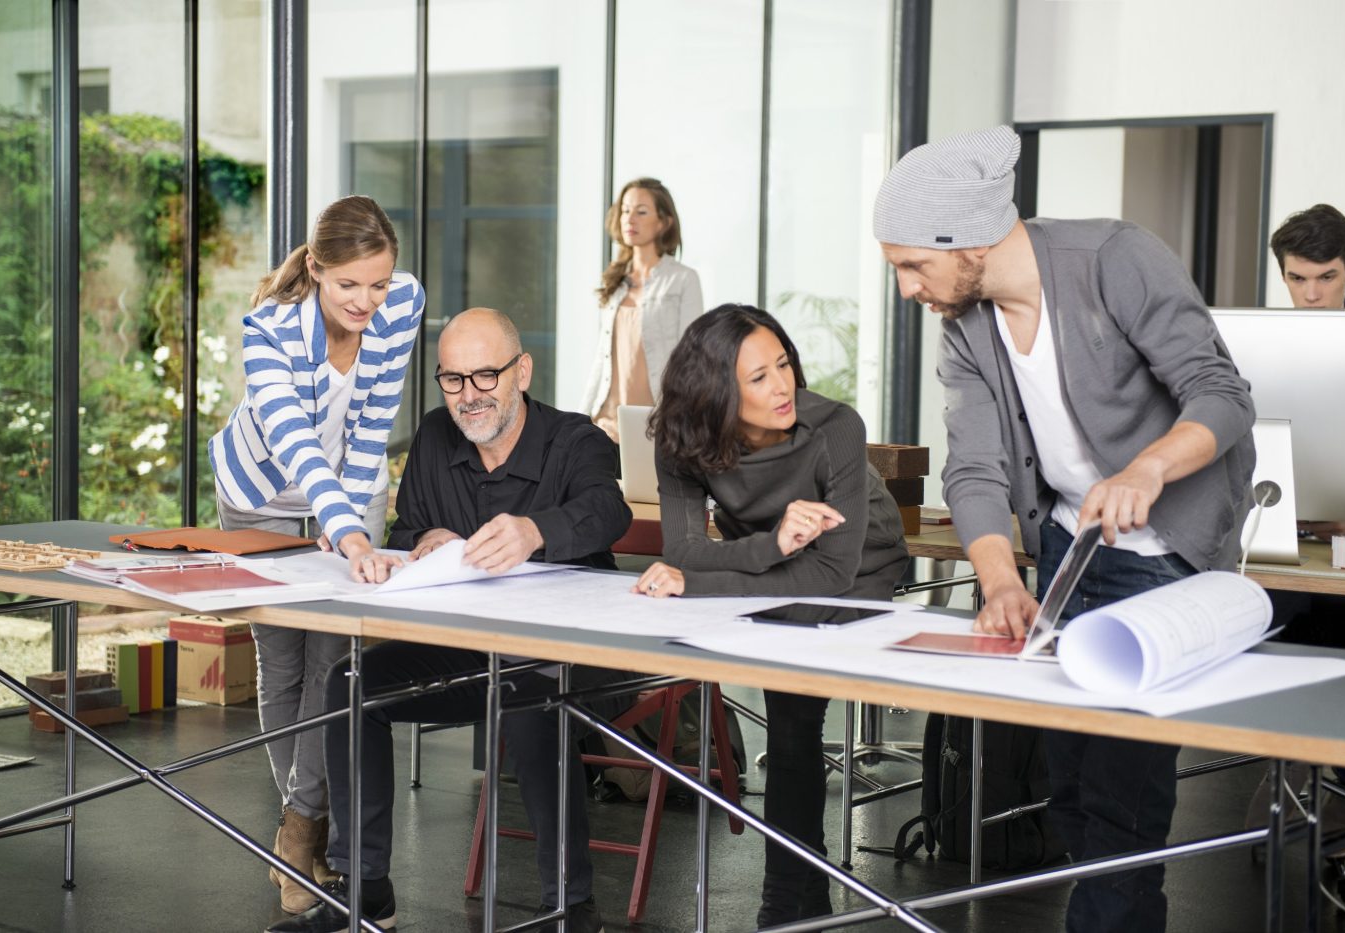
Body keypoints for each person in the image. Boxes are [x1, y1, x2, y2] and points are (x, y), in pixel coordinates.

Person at [872, 125, 1255, 933]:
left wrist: (1147, 469)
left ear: (966, 238)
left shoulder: (1115, 258)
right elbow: (973, 467)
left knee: (1121, 803)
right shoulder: (966, 326)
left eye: (912, 264)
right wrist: (1002, 578)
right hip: (1068, 555)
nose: (906, 288)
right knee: (1072, 791)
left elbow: (1220, 393)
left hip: (1165, 554)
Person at [268, 308, 630, 933]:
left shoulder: (577, 441)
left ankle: (570, 909)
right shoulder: (436, 438)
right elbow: (405, 531)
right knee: (353, 685)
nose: (470, 395)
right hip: (469, 648)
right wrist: (424, 539)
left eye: (485, 376)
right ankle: (364, 892)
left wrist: (536, 530)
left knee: (533, 694)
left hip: (577, 653)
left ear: (523, 372)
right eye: (453, 379)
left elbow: (608, 512)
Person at [633, 304, 908, 926]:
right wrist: (770, 547)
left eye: (782, 364)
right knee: (790, 725)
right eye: (758, 377)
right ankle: (799, 897)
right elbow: (682, 554)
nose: (782, 385)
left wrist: (707, 579)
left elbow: (830, 574)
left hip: (861, 567)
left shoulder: (835, 425)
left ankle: (783, 904)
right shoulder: (681, 438)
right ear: (715, 391)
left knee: (791, 718)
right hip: (763, 566)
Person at [210, 195, 423, 914]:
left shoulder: (401, 306)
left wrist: (354, 528)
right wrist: (348, 527)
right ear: (315, 269)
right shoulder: (268, 329)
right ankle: (300, 822)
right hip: (258, 496)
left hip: (342, 492)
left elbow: (371, 431)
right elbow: (294, 440)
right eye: (349, 285)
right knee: (282, 658)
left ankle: (297, 833)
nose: (367, 301)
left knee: (334, 659)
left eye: (379, 284)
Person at [1256, 202, 1345, 819]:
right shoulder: (1256, 349)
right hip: (1275, 541)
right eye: (1296, 279)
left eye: (1325, 277)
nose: (1310, 294)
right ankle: (1293, 772)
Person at [581, 177, 704, 448]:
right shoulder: (614, 282)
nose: (630, 219)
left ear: (664, 222)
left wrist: (684, 422)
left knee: (644, 492)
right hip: (605, 424)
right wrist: (581, 417)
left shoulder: (683, 280)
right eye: (625, 210)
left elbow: (691, 360)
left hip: (656, 425)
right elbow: (602, 358)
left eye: (641, 211)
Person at [1269, 203, 1345, 309]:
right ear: (1283, 275)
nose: (1311, 297)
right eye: (1298, 278)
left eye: (1327, 278)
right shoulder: (1261, 326)